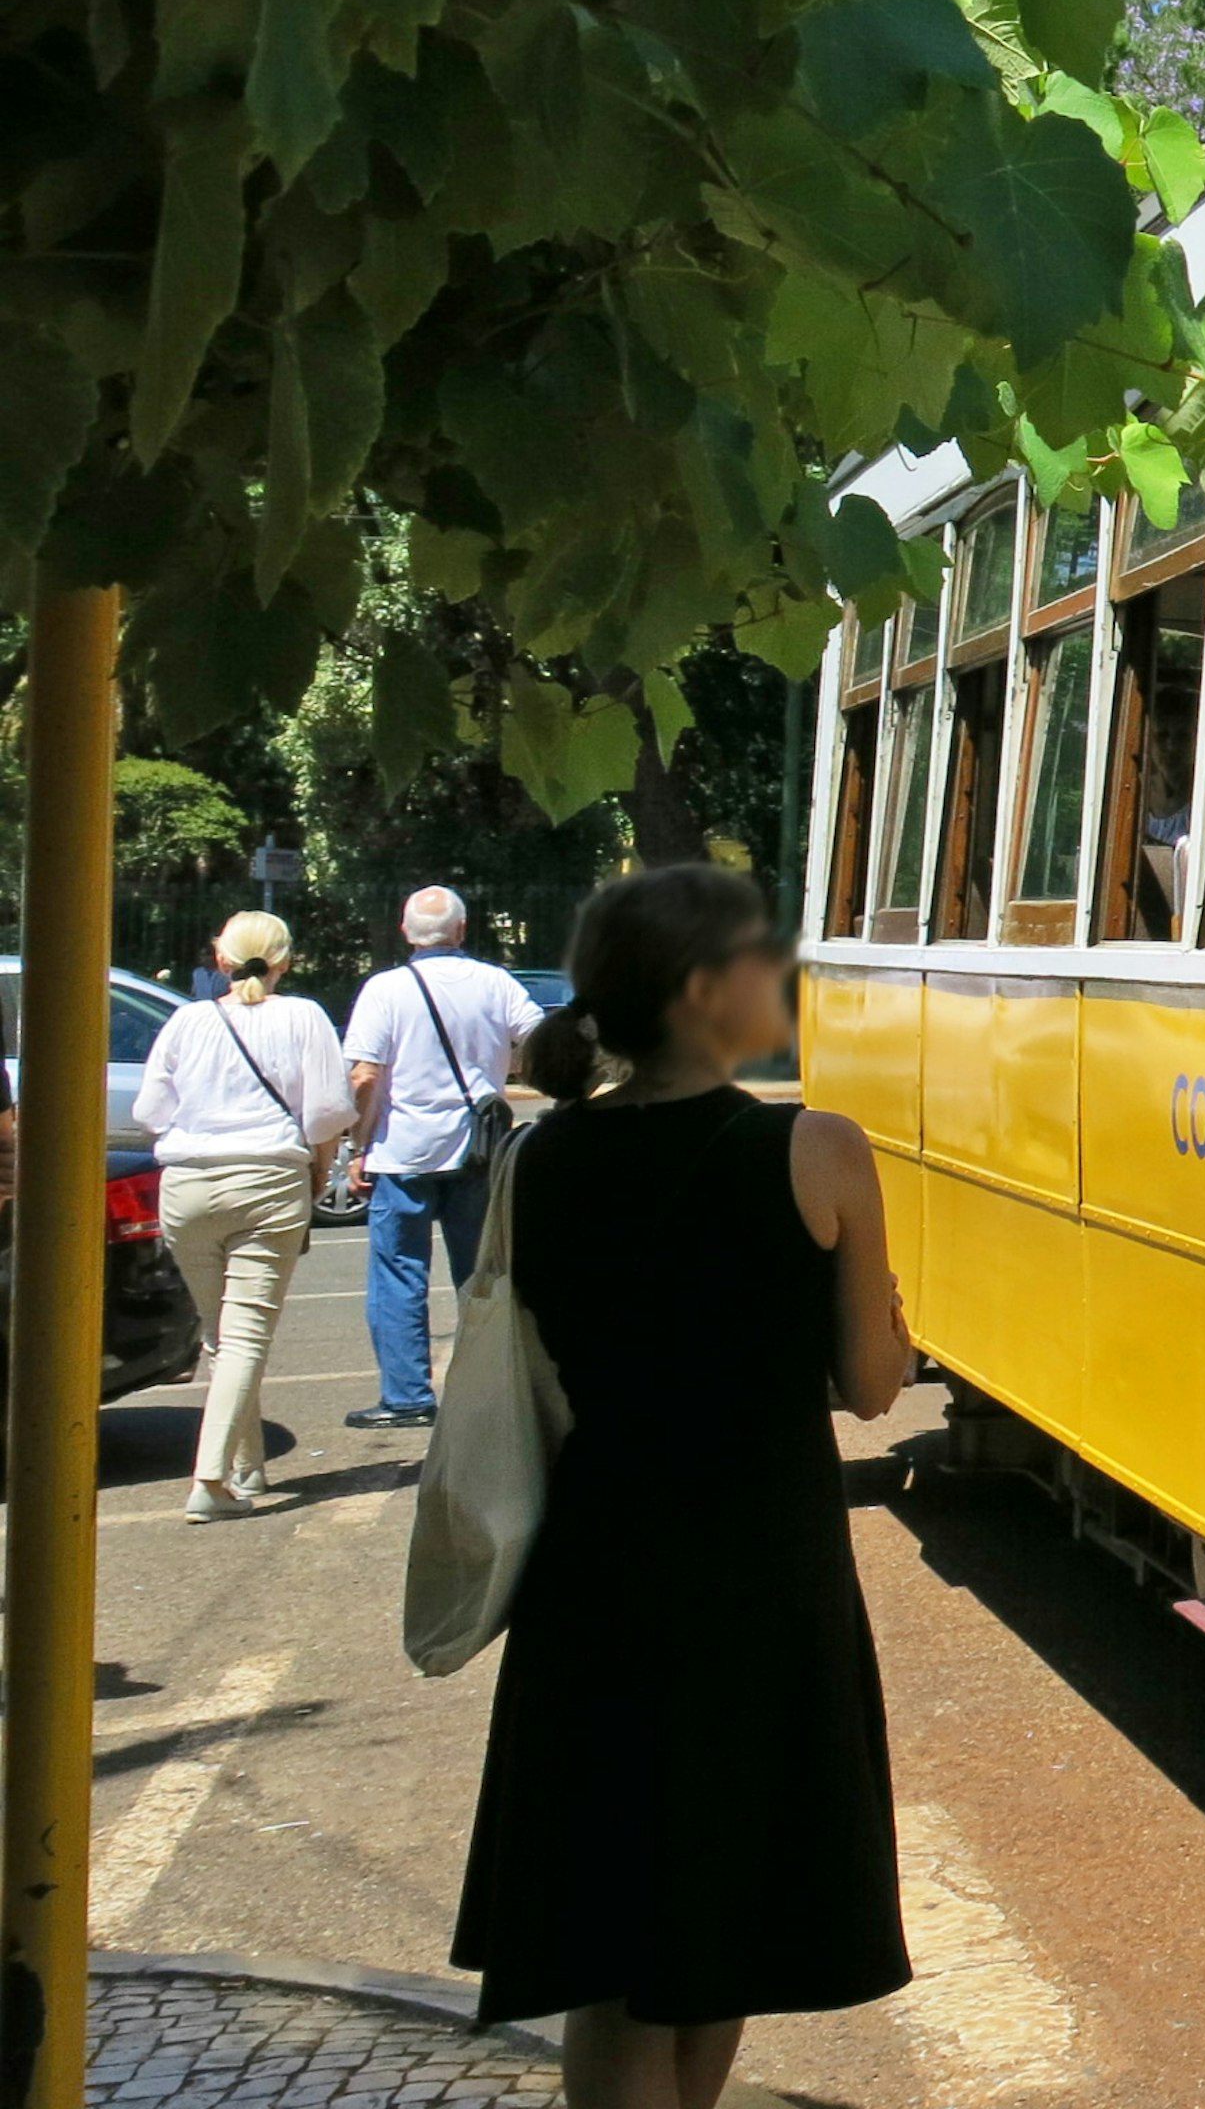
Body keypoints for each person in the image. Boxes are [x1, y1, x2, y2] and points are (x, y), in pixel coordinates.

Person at [456, 864, 913, 2108]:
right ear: (709, 992)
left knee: (613, 1937)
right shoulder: (815, 1148)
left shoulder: (543, 1159)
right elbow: (873, 1381)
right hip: (763, 1565)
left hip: (598, 1560)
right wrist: (892, 1334)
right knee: (725, 1914)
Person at [133, 912, 351, 1519]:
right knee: (246, 1337)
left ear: (219, 958)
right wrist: (313, 1174)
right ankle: (209, 1478)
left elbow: (154, 1111)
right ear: (285, 960)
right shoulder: (305, 1017)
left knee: (223, 1336)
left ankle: (247, 1470)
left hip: (187, 1186)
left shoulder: (186, 1020)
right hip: (269, 1181)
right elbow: (328, 1115)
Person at [343, 887, 547, 1429]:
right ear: (461, 930)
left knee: (397, 1274)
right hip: (478, 1151)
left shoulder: (385, 990)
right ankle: (488, 1388)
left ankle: (407, 1395)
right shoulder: (496, 983)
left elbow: (365, 1076)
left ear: (406, 931)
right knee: (481, 1275)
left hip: (401, 1151)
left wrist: (358, 1145)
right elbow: (540, 1046)